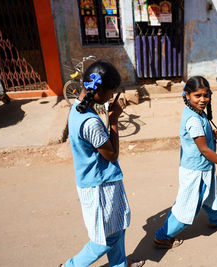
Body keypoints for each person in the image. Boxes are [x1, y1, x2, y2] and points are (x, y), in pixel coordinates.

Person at [61, 60, 144, 267]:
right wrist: (114, 120)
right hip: (100, 186)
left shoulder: (77, 109)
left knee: (117, 229)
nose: (111, 97)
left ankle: (120, 264)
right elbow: (112, 155)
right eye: (111, 92)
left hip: (98, 181)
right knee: (105, 240)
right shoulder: (90, 123)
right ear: (98, 91)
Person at [153, 76, 217, 249]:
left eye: (206, 95)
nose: (202, 100)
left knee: (211, 195)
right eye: (197, 96)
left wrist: (212, 134)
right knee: (188, 207)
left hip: (204, 168)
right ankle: (163, 236)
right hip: (196, 171)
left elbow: (202, 139)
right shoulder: (193, 119)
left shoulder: (197, 112)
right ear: (187, 95)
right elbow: (204, 150)